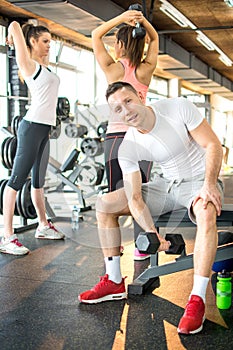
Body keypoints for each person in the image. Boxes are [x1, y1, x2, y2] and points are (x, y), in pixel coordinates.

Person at [78, 82, 224, 335]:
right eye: (117, 109)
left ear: (141, 96)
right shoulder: (128, 145)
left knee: (206, 210)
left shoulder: (178, 107)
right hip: (166, 185)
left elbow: (213, 145)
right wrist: (152, 235)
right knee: (105, 203)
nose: (125, 111)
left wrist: (209, 185)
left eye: (128, 101)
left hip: (199, 181)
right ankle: (113, 280)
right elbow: (135, 197)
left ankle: (197, 299)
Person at [92, 9, 158, 260]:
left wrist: (123, 18)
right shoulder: (146, 69)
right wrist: (143, 22)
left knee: (114, 198)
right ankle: (143, 248)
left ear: (119, 45)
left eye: (115, 43)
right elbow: (156, 40)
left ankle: (114, 249)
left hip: (117, 139)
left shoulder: (112, 70)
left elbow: (95, 35)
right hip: (143, 138)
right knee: (140, 194)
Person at [0, 21, 65, 256]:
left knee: (38, 181)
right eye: (45, 41)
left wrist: (39, 29)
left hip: (44, 129)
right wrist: (13, 34)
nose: (49, 46)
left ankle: (43, 225)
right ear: (33, 42)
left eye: (50, 41)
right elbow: (16, 24)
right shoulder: (28, 65)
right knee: (16, 181)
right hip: (31, 127)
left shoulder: (44, 67)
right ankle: (7, 236)